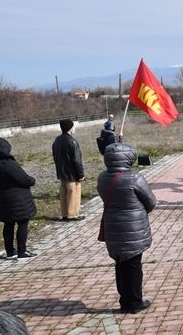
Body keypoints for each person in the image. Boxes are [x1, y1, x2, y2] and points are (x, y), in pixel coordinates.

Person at [98, 143, 156, 314]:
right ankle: (135, 302)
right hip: (133, 227)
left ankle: (125, 301)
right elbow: (151, 202)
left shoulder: (102, 178)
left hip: (112, 226)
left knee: (120, 265)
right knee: (134, 267)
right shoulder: (134, 178)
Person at [0, 138, 37, 259]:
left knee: (8, 224)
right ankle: (22, 251)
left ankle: (10, 251)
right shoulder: (8, 164)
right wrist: (32, 180)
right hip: (18, 200)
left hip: (3, 199)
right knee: (23, 222)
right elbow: (23, 178)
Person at [52, 119, 85, 221]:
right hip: (72, 174)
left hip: (62, 173)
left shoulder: (57, 140)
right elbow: (76, 160)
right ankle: (73, 214)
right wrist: (81, 174)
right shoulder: (72, 141)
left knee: (63, 195)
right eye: (72, 126)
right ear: (69, 128)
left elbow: (55, 157)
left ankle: (65, 214)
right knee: (73, 193)